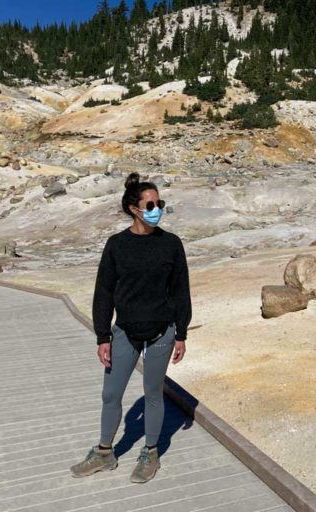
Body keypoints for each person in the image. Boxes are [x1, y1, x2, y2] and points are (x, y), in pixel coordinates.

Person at [70, 172, 192, 484]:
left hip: (162, 331)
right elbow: (104, 293)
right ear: (133, 209)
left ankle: (150, 453)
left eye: (160, 203)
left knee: (153, 392)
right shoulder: (116, 245)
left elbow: (181, 291)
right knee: (111, 394)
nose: (157, 208)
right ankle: (104, 453)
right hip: (124, 330)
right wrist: (102, 336)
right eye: (150, 204)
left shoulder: (171, 244)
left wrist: (181, 333)